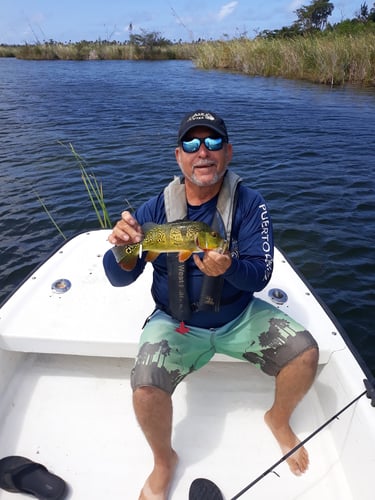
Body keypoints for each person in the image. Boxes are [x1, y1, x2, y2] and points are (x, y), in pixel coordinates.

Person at [103, 110, 319, 500]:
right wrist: (125, 248)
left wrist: (230, 266)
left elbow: (260, 275)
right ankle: (164, 461)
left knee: (305, 354)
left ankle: (279, 420)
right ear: (178, 156)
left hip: (239, 317)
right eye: (191, 144)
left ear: (229, 152)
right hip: (175, 321)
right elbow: (118, 277)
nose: (203, 152)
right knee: (145, 389)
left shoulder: (251, 205)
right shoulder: (155, 209)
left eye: (214, 142)